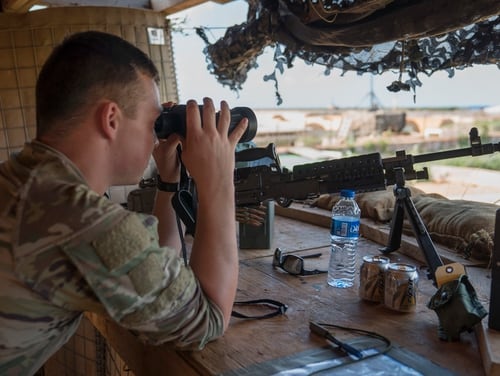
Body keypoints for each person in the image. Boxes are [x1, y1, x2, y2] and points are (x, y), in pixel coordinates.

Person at [0, 30, 248, 375]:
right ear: (111, 119)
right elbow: (207, 318)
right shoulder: (81, 220)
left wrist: (168, 181)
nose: (155, 135)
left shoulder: (23, 178)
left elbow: (152, 273)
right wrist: (219, 178)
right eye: (153, 122)